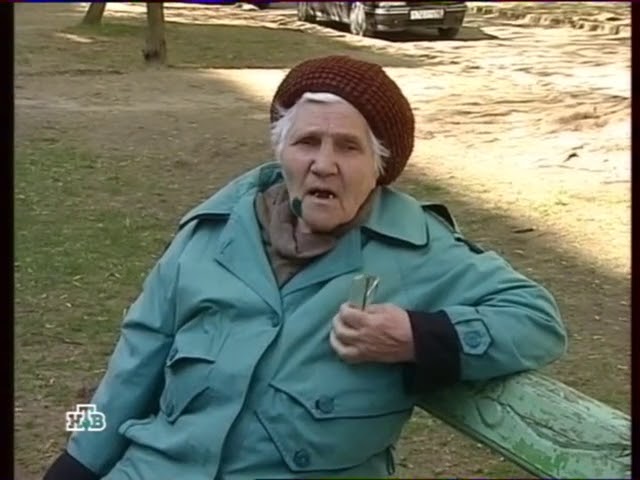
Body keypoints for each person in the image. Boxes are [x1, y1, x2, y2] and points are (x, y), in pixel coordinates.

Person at [44, 55, 567, 480]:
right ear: (282, 152)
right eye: (307, 142)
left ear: (380, 166)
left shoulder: (419, 251)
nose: (323, 164)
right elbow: (129, 371)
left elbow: (538, 320)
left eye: (348, 147)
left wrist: (417, 336)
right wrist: (75, 464)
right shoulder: (209, 234)